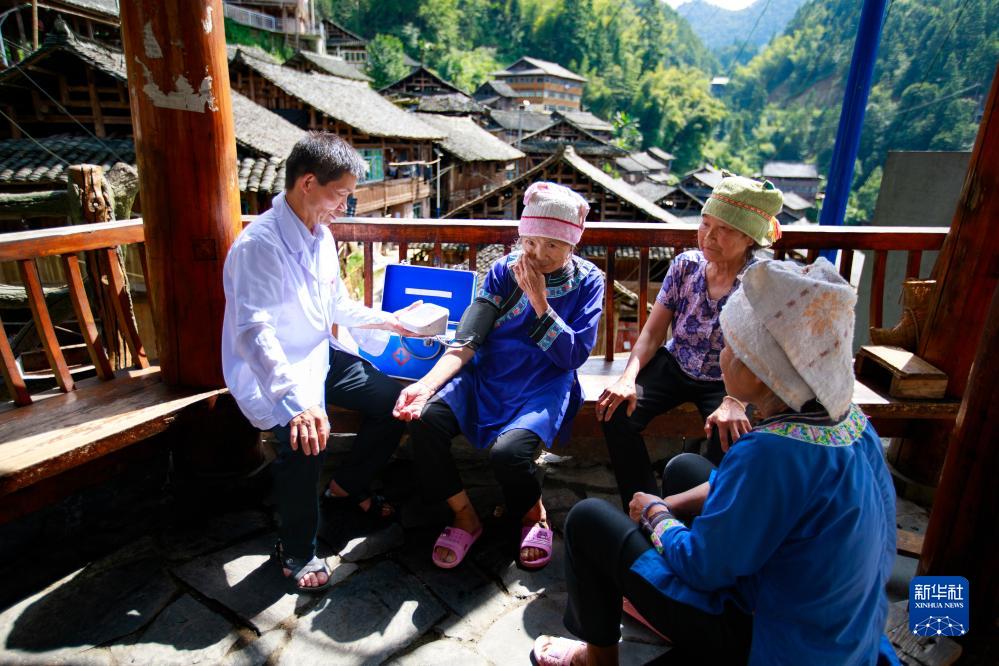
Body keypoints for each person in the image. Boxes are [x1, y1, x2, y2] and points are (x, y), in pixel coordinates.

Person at [533, 258, 899, 666]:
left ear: (759, 373)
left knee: (589, 520)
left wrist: (656, 514)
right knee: (684, 469)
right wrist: (667, 503)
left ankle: (596, 658)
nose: (721, 354)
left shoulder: (770, 452)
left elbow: (702, 566)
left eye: (729, 346)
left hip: (770, 638)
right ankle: (657, 600)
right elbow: (756, 495)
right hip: (840, 625)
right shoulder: (852, 424)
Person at [221, 132, 414, 592]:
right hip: (274, 371)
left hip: (318, 355)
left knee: (394, 401)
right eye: (340, 195)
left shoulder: (321, 236)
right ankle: (296, 549)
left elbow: (335, 306)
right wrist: (296, 402)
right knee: (304, 438)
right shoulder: (259, 246)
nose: (344, 207)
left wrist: (393, 322)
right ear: (308, 182)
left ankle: (346, 487)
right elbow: (254, 333)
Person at [393, 182, 604, 570]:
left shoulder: (589, 281)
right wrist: (424, 386)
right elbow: (467, 341)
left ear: (572, 245)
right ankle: (464, 515)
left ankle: (533, 514)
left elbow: (573, 355)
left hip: (544, 381)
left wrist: (539, 300)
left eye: (552, 245)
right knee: (425, 420)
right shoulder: (503, 272)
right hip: (489, 375)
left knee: (509, 454)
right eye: (531, 242)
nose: (538, 254)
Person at [598, 174, 783, 509]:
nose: (708, 236)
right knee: (615, 412)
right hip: (676, 362)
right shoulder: (685, 266)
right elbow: (652, 333)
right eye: (705, 223)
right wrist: (627, 378)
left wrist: (735, 401)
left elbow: (762, 353)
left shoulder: (760, 282)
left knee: (728, 436)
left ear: (748, 237)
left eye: (723, 229)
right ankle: (645, 509)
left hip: (727, 379)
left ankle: (694, 516)